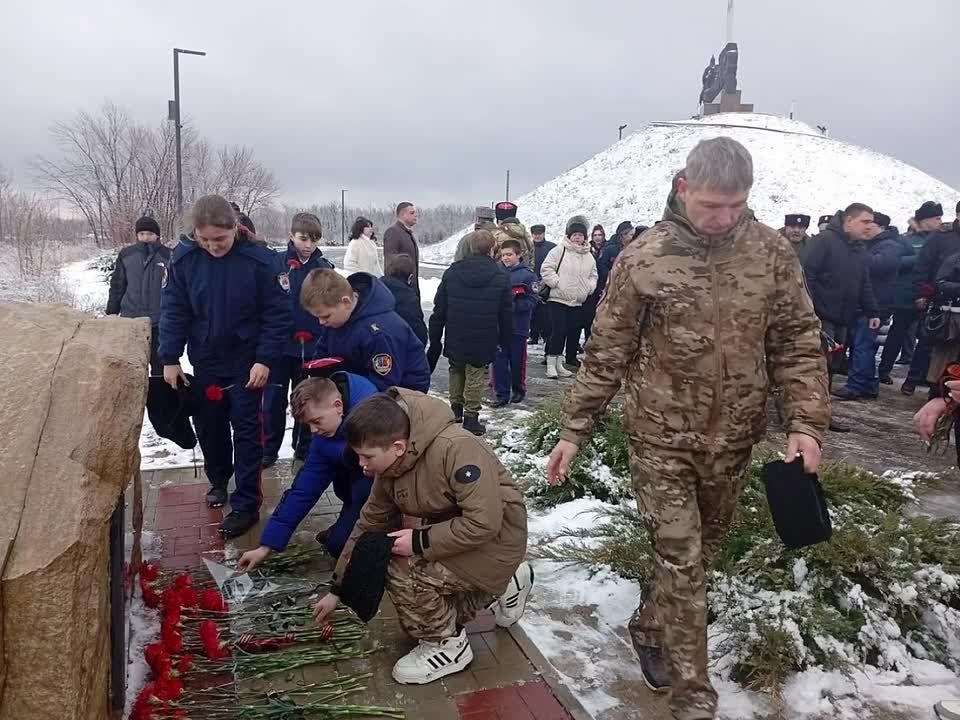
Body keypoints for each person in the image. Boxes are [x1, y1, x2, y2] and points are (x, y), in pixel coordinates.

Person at [544, 137, 829, 720]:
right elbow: (607, 351)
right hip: (660, 437)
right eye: (711, 206)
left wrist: (805, 421)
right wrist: (574, 429)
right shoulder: (644, 258)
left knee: (705, 551)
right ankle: (694, 696)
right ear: (683, 188)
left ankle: (652, 626)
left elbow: (797, 341)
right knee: (683, 558)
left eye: (737, 205)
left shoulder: (771, 252)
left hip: (735, 439)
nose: (724, 220)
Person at [310, 390, 532, 685]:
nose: (362, 464)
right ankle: (503, 586)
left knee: (399, 566)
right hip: (461, 538)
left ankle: (447, 645)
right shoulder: (391, 465)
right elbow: (369, 524)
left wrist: (419, 541)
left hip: (497, 540)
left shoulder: (456, 448)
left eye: (367, 456)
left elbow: (484, 522)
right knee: (397, 570)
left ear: (398, 446)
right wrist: (338, 588)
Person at [159, 195, 291, 537]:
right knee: (210, 426)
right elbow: (175, 309)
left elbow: (277, 316)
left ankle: (246, 503)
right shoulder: (186, 259)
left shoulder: (261, 261)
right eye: (205, 240)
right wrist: (169, 357)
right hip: (206, 360)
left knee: (247, 433)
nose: (213, 246)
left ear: (235, 229)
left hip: (248, 364)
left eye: (220, 239)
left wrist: (265, 359)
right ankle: (219, 479)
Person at [237, 373, 378, 570]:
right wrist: (266, 546)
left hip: (384, 494)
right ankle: (342, 531)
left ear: (338, 406)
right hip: (355, 488)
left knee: (355, 550)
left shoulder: (375, 420)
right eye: (308, 424)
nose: (313, 431)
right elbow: (303, 491)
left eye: (317, 421)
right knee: (338, 546)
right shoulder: (325, 438)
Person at [263, 212, 336, 467]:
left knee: (307, 399)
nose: (308, 245)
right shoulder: (276, 264)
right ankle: (269, 448)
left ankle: (303, 448)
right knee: (273, 400)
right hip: (280, 346)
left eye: (314, 240)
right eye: (303, 238)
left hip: (312, 346)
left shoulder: (324, 269)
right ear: (291, 236)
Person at [427, 229, 511, 436]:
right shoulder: (501, 276)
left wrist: (436, 336)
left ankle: (455, 411)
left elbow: (440, 308)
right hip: (485, 335)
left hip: (456, 333)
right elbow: (506, 313)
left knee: (456, 370)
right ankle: (471, 417)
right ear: (493, 250)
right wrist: (505, 339)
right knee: (476, 373)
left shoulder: (452, 272)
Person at [802, 204, 880, 426]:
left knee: (832, 366)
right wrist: (809, 311)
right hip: (820, 316)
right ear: (848, 221)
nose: (870, 226)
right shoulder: (823, 241)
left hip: (842, 318)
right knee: (815, 365)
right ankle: (804, 413)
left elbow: (863, 282)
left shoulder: (859, 248)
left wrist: (872, 310)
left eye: (871, 222)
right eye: (865, 221)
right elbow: (806, 276)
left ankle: (821, 413)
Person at [302, 269, 431, 393]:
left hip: (399, 395)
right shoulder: (335, 321)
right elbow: (323, 354)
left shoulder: (379, 333)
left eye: (325, 316)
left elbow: (384, 384)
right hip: (355, 383)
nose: (321, 322)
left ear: (345, 302)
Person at [832, 213, 901, 400]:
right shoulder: (873, 245)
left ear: (881, 227)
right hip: (865, 305)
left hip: (875, 305)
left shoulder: (889, 246)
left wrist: (855, 255)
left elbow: (879, 265)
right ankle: (869, 384)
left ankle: (856, 385)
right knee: (862, 345)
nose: (867, 229)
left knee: (863, 345)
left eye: (871, 225)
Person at [904, 201, 959, 394]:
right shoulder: (941, 237)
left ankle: (944, 387)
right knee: (929, 341)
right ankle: (912, 380)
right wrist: (922, 293)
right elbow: (923, 265)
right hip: (937, 297)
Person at [106, 214, 171, 374]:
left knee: (160, 367)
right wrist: (111, 312)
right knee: (132, 366)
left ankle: (159, 398)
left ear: (157, 235)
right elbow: (118, 284)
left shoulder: (168, 255)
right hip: (131, 320)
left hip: (159, 321)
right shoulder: (127, 255)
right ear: (136, 235)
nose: (145, 238)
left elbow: (175, 288)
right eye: (141, 234)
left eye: (149, 234)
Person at [540, 216, 598, 379]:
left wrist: (589, 288)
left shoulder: (588, 256)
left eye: (580, 235)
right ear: (569, 235)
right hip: (558, 299)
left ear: (585, 237)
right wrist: (557, 283)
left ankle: (560, 362)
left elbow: (594, 275)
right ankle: (551, 363)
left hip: (577, 301)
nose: (577, 237)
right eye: (574, 234)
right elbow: (546, 269)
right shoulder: (560, 250)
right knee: (557, 332)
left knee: (569, 331)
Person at [492, 239, 537, 406]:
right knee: (499, 361)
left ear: (518, 255)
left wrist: (514, 306)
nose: (506, 258)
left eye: (509, 254)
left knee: (517, 361)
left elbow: (533, 300)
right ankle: (501, 393)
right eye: (503, 255)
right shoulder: (496, 273)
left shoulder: (527, 275)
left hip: (518, 326)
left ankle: (518, 389)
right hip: (499, 327)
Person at [877, 217, 923, 384]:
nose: (939, 221)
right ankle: (884, 370)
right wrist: (918, 260)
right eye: (935, 218)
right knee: (897, 334)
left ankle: (918, 376)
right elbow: (896, 262)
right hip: (905, 296)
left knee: (925, 339)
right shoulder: (906, 241)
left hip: (931, 295)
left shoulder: (939, 239)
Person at [381, 253, 427, 346]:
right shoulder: (410, 299)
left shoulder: (375, 289)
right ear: (410, 277)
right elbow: (419, 334)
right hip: (398, 349)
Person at [383, 202, 419, 295]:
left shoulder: (407, 233)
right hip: (400, 290)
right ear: (402, 214)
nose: (416, 215)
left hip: (411, 288)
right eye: (412, 213)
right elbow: (390, 263)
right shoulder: (393, 232)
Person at [528, 224, 555, 345]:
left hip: (546, 283)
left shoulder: (551, 247)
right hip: (531, 281)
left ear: (544, 234)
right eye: (535, 234)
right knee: (532, 310)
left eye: (539, 233)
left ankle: (545, 335)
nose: (537, 236)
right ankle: (533, 335)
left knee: (545, 312)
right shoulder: (528, 248)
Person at [597, 221, 636, 295]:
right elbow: (601, 266)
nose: (633, 237)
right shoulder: (610, 249)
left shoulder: (634, 249)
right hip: (611, 286)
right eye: (631, 235)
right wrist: (612, 276)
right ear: (623, 235)